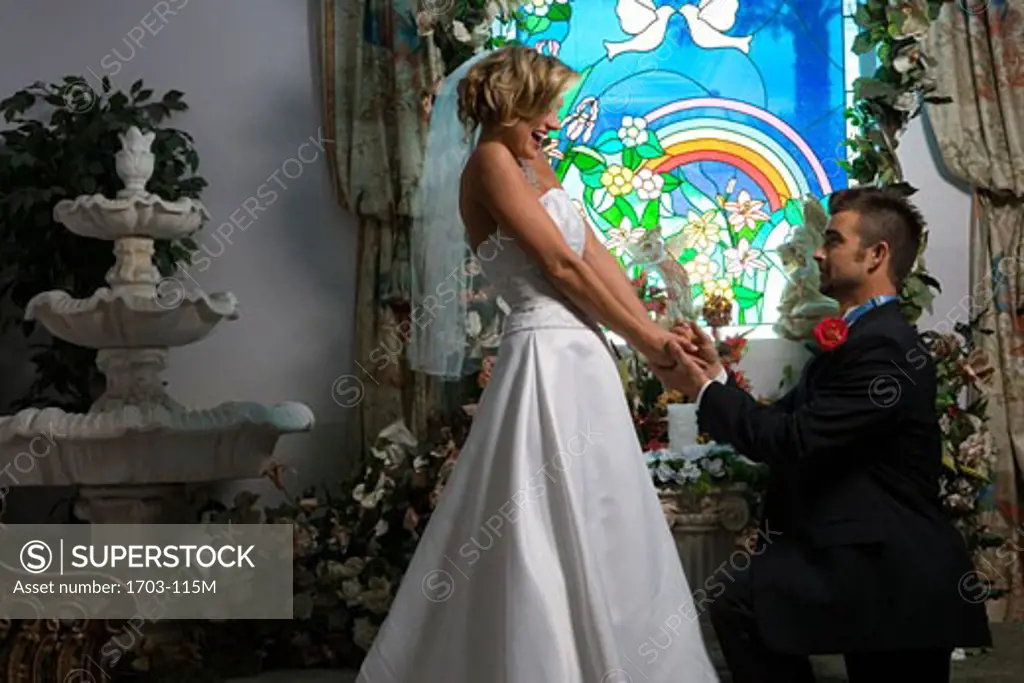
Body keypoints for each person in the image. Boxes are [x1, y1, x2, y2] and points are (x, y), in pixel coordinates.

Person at [357, 47, 718, 682]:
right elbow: (559, 266)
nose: (554, 121)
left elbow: (595, 255)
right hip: (544, 357)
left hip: (584, 357)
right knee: (536, 522)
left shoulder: (532, 160)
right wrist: (646, 342)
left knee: (607, 512)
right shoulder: (491, 161)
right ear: (513, 100)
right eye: (546, 106)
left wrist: (656, 333)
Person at [650, 187, 993, 683]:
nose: (816, 251)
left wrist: (703, 389)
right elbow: (781, 425)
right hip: (860, 556)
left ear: (876, 255)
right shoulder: (863, 338)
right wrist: (715, 373)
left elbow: (789, 441)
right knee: (739, 604)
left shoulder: (885, 348)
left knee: (740, 604)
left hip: (891, 569)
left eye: (832, 240)